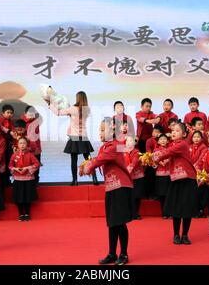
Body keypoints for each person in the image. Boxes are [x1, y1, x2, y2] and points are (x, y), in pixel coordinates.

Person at [81, 117, 133, 265]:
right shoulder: (105, 146)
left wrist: (87, 167)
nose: (101, 133)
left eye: (103, 130)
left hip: (121, 187)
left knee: (120, 222)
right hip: (111, 186)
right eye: (100, 130)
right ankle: (111, 254)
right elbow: (99, 158)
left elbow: (100, 160)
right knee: (112, 223)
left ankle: (123, 254)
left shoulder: (114, 146)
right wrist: (89, 163)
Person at [152, 122, 199, 245]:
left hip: (188, 179)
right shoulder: (173, 145)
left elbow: (166, 153)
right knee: (176, 208)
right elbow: (167, 154)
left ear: (184, 134)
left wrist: (152, 157)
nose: (173, 132)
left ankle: (185, 235)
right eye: (172, 130)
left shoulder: (182, 144)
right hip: (176, 180)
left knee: (186, 208)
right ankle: (176, 235)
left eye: (177, 131)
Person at [48, 91, 98, 186]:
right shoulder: (87, 109)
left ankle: (75, 180)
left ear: (78, 98)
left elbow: (58, 113)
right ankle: (94, 178)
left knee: (73, 160)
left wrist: (50, 105)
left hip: (74, 137)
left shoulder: (72, 109)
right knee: (88, 158)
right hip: (83, 137)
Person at [9, 137, 40, 221]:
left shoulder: (30, 154)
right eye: (20, 143)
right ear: (17, 145)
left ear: (27, 145)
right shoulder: (14, 155)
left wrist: (27, 168)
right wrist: (15, 169)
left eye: (24, 143)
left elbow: (37, 164)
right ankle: (20, 214)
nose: (22, 145)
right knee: (19, 197)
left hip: (28, 179)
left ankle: (27, 213)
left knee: (27, 197)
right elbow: (10, 166)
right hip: (18, 179)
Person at [124, 136, 145, 220]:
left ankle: (136, 213)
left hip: (137, 177)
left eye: (131, 141)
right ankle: (129, 213)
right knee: (129, 196)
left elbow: (134, 162)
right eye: (127, 141)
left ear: (135, 143)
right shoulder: (122, 151)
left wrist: (128, 170)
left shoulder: (137, 152)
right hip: (127, 177)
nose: (129, 143)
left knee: (137, 196)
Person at [153, 134, 171, 218]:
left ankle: (170, 212)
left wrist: (167, 160)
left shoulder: (170, 149)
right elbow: (154, 160)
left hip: (169, 175)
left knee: (169, 194)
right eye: (161, 139)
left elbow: (172, 157)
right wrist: (160, 162)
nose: (163, 140)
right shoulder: (155, 150)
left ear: (168, 141)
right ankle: (164, 212)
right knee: (162, 194)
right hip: (160, 175)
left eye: (165, 139)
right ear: (158, 141)